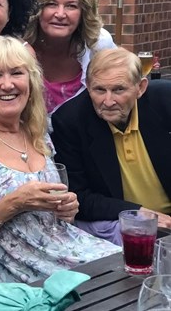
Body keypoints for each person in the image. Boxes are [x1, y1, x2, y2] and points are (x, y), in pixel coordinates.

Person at [0, 36, 120, 283]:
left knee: (140, 270)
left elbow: (55, 220)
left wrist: (68, 208)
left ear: (31, 83)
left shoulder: (39, 135)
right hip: (30, 277)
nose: (7, 84)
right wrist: (13, 203)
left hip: (74, 253)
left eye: (16, 73)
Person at [51, 48, 171, 243]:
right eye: (99, 90)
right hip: (123, 228)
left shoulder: (165, 101)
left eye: (118, 90)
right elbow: (79, 195)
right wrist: (137, 213)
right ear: (88, 87)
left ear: (140, 88)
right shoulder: (70, 121)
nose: (108, 101)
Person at [23, 0, 116, 115]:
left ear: (83, 12)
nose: (60, 14)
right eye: (51, 4)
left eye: (71, 6)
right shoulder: (17, 47)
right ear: (37, 9)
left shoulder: (98, 45)